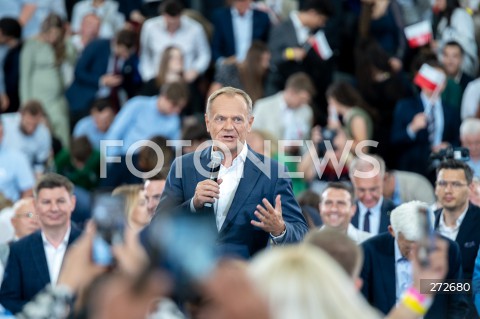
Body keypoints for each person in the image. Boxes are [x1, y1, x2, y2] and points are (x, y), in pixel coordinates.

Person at [152, 87, 308, 258]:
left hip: (246, 277)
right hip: (192, 278)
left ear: (249, 123)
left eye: (237, 120)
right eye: (220, 119)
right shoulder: (183, 166)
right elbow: (158, 227)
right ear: (207, 122)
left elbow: (301, 233)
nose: (228, 127)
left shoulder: (274, 172)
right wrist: (193, 204)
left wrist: (280, 229)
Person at [360, 200, 469, 318]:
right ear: (392, 231)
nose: (415, 254)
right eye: (409, 245)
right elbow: (359, 304)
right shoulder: (368, 251)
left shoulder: (449, 250)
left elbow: (458, 302)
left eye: (421, 245)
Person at [0, 173, 81, 314]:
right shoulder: (19, 250)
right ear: (36, 205)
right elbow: (8, 299)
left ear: (72, 203)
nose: (54, 208)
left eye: (61, 201)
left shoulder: (89, 245)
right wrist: (42, 313)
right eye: (46, 202)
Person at [391, 60, 461, 178]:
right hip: (413, 172)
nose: (434, 83)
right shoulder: (405, 106)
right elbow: (394, 140)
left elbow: (458, 141)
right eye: (430, 78)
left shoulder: (451, 111)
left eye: (439, 80)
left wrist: (448, 147)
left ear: (444, 84)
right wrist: (412, 128)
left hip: (442, 171)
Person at [433, 159, 480, 317]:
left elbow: (476, 284)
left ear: (470, 187)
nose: (448, 190)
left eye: (456, 184)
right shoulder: (425, 224)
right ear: (435, 187)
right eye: (442, 183)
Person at [20, 13, 74, 149]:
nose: (53, 37)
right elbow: (25, 76)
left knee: (62, 127)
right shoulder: (31, 45)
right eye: (51, 33)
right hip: (37, 99)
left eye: (57, 33)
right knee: (41, 133)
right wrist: (26, 103)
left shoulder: (60, 45)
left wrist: (66, 39)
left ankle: (64, 163)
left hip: (57, 99)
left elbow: (73, 58)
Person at [66, 29, 140, 123]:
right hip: (85, 99)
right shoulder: (97, 46)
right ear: (119, 44)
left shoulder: (127, 60)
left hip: (108, 102)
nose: (127, 56)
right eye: (126, 52)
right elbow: (79, 72)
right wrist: (101, 81)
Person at [139, 0, 210, 84]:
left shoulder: (195, 28)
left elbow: (204, 54)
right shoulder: (149, 27)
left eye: (175, 22)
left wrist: (196, 70)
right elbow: (145, 55)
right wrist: (149, 76)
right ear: (163, 15)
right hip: (156, 80)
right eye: (169, 22)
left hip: (186, 81)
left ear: (181, 15)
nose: (172, 25)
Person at [252, 72, 315, 142]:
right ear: (291, 92)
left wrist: (297, 146)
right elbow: (253, 136)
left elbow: (306, 141)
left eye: (306, 100)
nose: (304, 103)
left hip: (296, 153)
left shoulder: (306, 111)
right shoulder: (262, 106)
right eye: (302, 99)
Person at [211, 0, 270, 65]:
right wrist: (224, 61)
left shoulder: (262, 18)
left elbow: (267, 45)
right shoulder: (221, 17)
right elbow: (215, 48)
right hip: (230, 67)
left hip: (255, 67)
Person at [349, 155, 395, 235]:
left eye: (373, 189)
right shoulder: (345, 213)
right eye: (361, 190)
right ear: (352, 182)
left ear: (384, 179)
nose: (368, 197)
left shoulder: (395, 213)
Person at [2, 100, 51, 175]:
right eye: (28, 123)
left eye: (35, 125)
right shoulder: (5, 123)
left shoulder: (43, 133)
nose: (30, 129)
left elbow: (39, 165)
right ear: (20, 115)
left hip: (28, 172)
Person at [0, 119, 35, 203]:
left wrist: (18, 213)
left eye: (1, 133)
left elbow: (28, 191)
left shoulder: (17, 158)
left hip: (7, 211)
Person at [0, 17, 22, 113]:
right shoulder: (3, 51)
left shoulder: (22, 51)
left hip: (17, 95)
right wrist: (2, 92)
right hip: (5, 97)